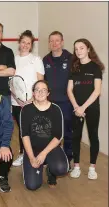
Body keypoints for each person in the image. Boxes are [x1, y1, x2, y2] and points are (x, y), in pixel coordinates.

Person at [20, 80, 68, 190]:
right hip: (33, 150)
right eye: (37, 90)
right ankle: (33, 165)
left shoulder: (56, 109)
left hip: (51, 149)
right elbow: (25, 135)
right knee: (32, 186)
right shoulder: (26, 110)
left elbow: (58, 136)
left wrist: (43, 154)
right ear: (33, 93)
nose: (40, 92)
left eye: (44, 90)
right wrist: (32, 157)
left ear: (48, 93)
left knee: (61, 168)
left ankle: (51, 171)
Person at [67, 38, 104, 180]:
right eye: (76, 49)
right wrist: (77, 107)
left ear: (88, 49)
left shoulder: (95, 68)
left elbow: (97, 91)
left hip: (92, 108)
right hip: (76, 108)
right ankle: (76, 166)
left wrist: (83, 107)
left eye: (81, 48)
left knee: (93, 136)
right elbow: (70, 90)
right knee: (76, 136)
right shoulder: (74, 67)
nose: (78, 51)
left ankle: (92, 168)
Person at [11, 30, 45, 167]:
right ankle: (23, 154)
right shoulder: (13, 59)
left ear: (31, 46)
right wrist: (18, 99)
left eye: (28, 43)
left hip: (33, 102)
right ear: (19, 43)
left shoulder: (36, 60)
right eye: (23, 42)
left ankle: (39, 154)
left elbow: (40, 83)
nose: (25, 45)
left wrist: (31, 100)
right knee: (22, 130)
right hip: (16, 102)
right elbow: (10, 82)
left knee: (34, 130)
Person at [43, 31, 73, 165]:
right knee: (50, 132)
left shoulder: (71, 58)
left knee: (67, 132)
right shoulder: (45, 60)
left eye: (57, 40)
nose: (54, 43)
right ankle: (51, 158)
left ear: (62, 42)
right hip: (50, 103)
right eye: (51, 41)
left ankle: (67, 158)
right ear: (49, 43)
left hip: (67, 102)